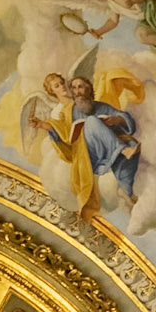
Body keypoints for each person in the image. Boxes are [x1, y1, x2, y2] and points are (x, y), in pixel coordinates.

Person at [32, 74, 141, 224]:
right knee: (91, 121)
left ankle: (126, 192)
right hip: (88, 156)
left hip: (108, 150)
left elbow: (125, 119)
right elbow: (61, 129)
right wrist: (43, 125)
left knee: (131, 145)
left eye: (81, 87)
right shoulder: (68, 111)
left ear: (88, 89)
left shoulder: (100, 106)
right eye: (74, 88)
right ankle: (122, 150)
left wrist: (117, 119)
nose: (77, 91)